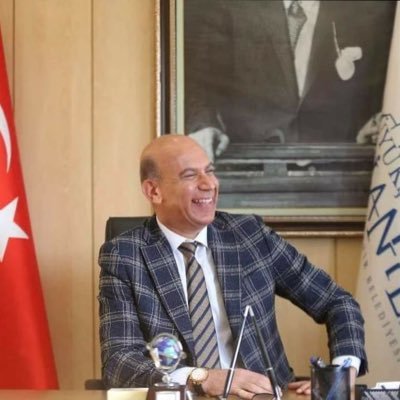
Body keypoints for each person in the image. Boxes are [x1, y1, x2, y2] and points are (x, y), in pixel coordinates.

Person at [98, 134, 367, 397]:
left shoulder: (250, 235)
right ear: (154, 191)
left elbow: (336, 301)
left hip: (265, 395)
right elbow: (119, 361)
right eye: (190, 175)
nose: (209, 184)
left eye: (210, 171)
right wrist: (202, 377)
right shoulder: (125, 256)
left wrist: (342, 371)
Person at [184, 0, 396, 160]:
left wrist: (374, 124)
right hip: (251, 167)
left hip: (338, 168)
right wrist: (204, 126)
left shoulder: (365, 12)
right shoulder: (230, 8)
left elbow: (379, 90)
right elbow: (199, 84)